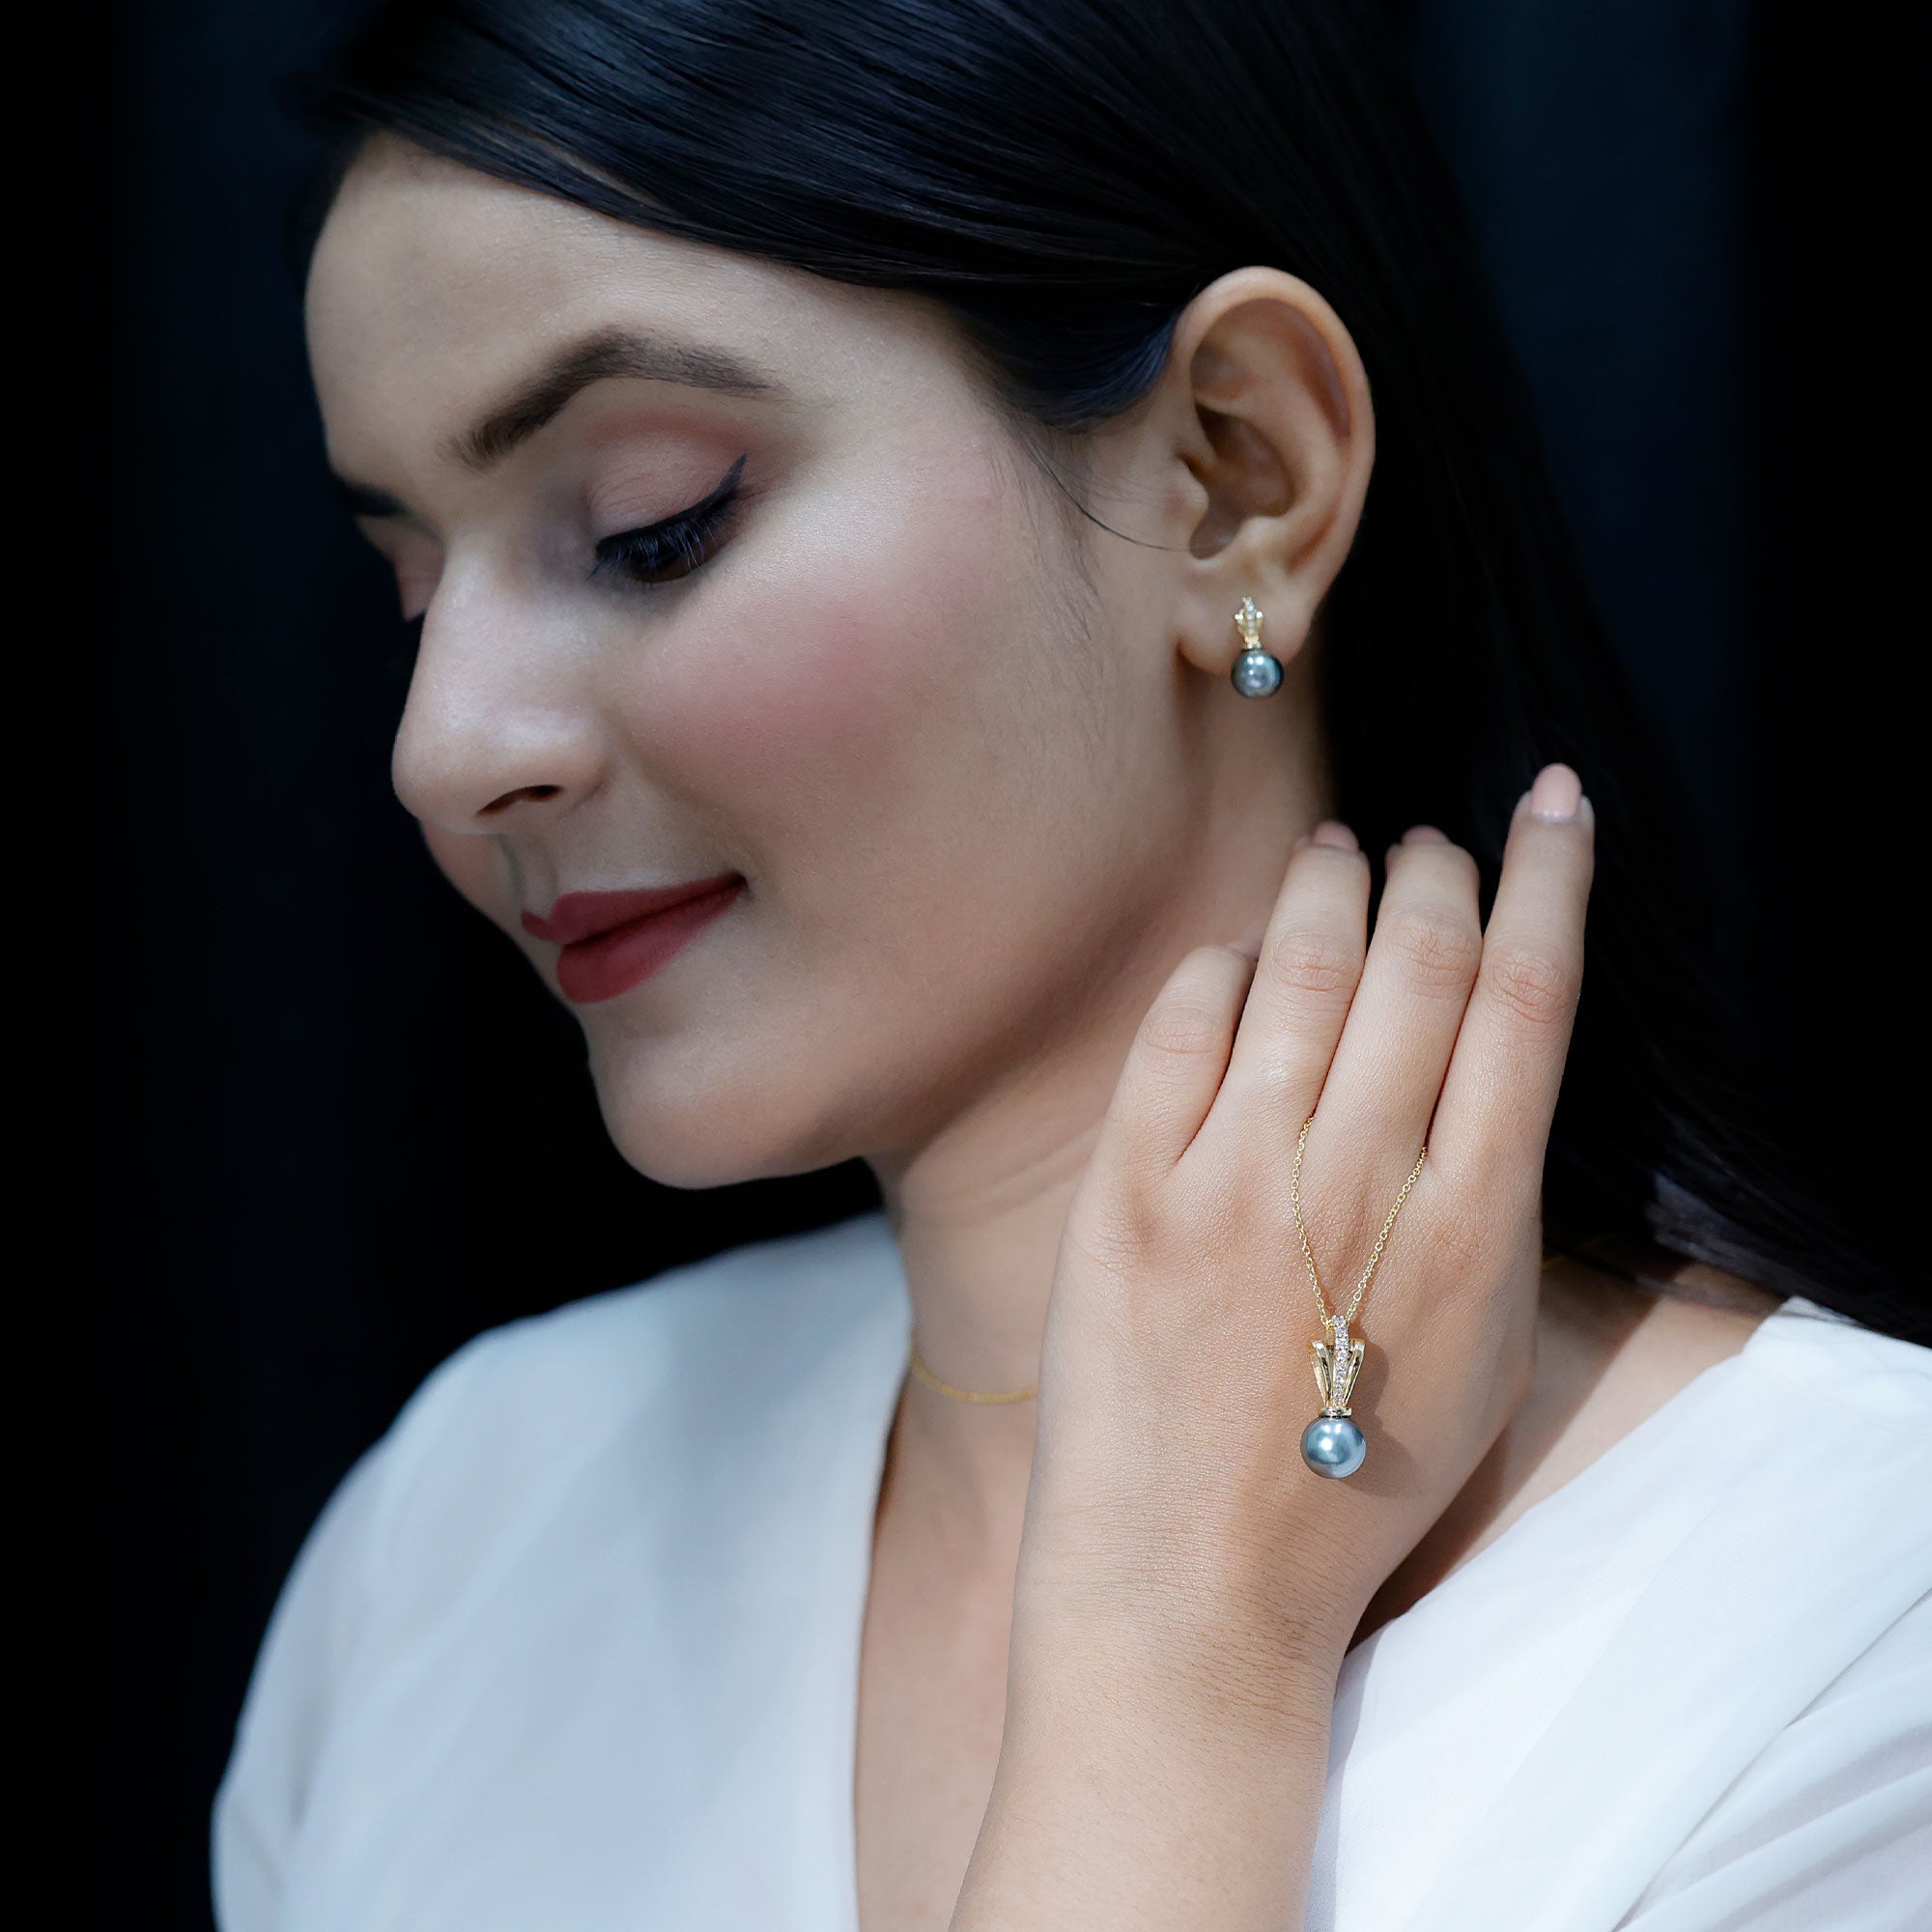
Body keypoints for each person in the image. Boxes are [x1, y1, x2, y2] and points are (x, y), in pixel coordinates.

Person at [213, 3, 1931, 1927]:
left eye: (650, 526)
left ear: (1236, 476)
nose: (446, 746)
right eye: (413, 589)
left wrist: (1177, 1658)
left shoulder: (1855, 1628)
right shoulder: (466, 1526)